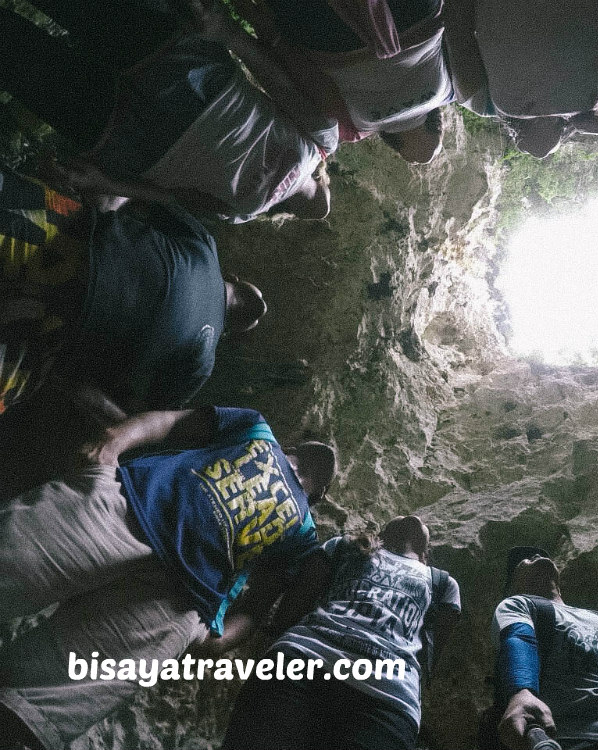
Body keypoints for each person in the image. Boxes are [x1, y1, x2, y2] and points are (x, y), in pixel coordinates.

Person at [0, 406, 337, 750]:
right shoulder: (256, 429)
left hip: (176, 602)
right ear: (294, 445)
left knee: (38, 707)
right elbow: (172, 422)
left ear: (318, 498)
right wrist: (112, 442)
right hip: (125, 512)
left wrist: (216, 640)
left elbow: (257, 605)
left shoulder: (304, 535)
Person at [0, 0, 336, 222]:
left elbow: (174, 198)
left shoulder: (242, 214)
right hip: (192, 81)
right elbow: (279, 83)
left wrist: (105, 181)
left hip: (137, 139)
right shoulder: (323, 143)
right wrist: (227, 33)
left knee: (17, 55)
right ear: (323, 178)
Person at [0, 167, 267, 416]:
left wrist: (99, 183)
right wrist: (70, 382)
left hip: (67, 241)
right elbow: (137, 418)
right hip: (52, 332)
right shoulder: (201, 364)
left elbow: (153, 197)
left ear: (232, 277)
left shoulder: (206, 250)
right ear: (227, 331)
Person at [222, 514, 461, 750]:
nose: (412, 517)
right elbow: (293, 607)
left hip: (386, 700)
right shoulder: (343, 548)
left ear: (426, 554)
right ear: (380, 535)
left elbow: (428, 658)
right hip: (302, 661)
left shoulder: (443, 584)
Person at [486, 546, 598, 750]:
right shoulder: (518, 604)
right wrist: (521, 692)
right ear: (512, 585)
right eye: (526, 561)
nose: (536, 556)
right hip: (582, 739)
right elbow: (518, 638)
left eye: (542, 555)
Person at [229, 0, 451, 164]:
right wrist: (259, 22)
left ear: (437, 122)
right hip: (331, 37)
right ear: (392, 141)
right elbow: (306, 76)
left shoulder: (449, 90)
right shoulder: (356, 128)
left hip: (416, 15)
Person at [443, 0, 598, 157]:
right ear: (565, 129)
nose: (536, 153)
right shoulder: (595, 98)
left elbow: (457, 28)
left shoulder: (483, 103)